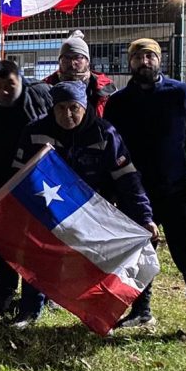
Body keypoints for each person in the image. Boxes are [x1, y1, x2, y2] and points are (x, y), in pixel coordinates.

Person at [104, 38, 186, 345]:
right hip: (136, 193)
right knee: (137, 254)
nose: (144, 62)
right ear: (129, 63)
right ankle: (141, 310)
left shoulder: (182, 94)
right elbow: (108, 148)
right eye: (138, 57)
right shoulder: (118, 103)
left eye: (150, 56)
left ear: (160, 60)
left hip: (178, 191)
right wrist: (111, 190)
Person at [10, 81, 157, 328]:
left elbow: (127, 179)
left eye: (74, 108)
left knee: (98, 261)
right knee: (37, 255)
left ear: (84, 106)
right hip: (48, 207)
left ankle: (104, 311)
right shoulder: (35, 131)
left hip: (92, 210)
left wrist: (144, 217)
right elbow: (18, 176)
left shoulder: (104, 133)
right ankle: (30, 310)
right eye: (61, 108)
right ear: (52, 108)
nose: (67, 114)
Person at [0, 60, 52, 315]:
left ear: (20, 81)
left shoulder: (39, 100)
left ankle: (42, 293)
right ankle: (3, 291)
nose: (3, 91)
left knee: (37, 243)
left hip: (37, 186)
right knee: (4, 244)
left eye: (9, 85)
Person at [43, 30, 115, 118]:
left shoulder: (106, 89)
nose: (72, 63)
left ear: (87, 61)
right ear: (59, 61)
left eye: (78, 57)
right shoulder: (45, 87)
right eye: (66, 58)